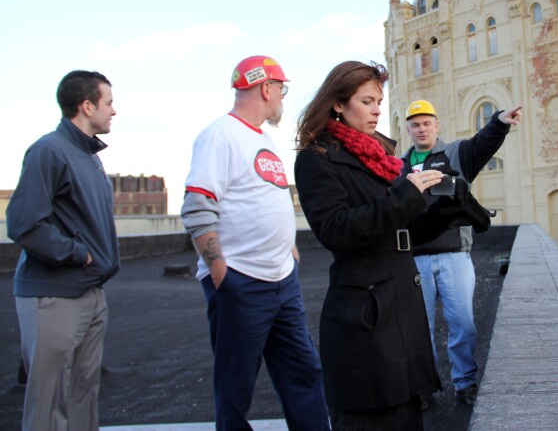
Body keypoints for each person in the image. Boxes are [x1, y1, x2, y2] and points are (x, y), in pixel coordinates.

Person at [294, 61, 470, 430]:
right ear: (338, 104)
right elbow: (334, 230)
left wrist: (447, 212)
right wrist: (407, 194)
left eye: (379, 101)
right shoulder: (316, 158)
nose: (377, 109)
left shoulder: (381, 158)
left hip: (399, 304)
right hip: (366, 312)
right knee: (374, 416)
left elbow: (401, 231)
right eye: (367, 101)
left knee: (406, 415)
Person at [181, 55, 329, 431]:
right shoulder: (219, 135)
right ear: (266, 88)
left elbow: (266, 196)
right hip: (241, 282)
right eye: (281, 89)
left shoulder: (262, 138)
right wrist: (218, 271)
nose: (282, 97)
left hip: (283, 280)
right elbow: (198, 207)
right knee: (235, 387)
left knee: (304, 372)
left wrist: (288, 250)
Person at [7, 70, 120, 431]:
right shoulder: (48, 151)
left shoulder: (90, 157)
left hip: (91, 293)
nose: (114, 111)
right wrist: (78, 254)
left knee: (83, 396)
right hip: (54, 297)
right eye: (109, 102)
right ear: (87, 106)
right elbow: (24, 224)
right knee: (49, 403)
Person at [401, 99, 522, 407]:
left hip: (454, 253)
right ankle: (424, 389)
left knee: (463, 324)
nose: (422, 129)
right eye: (415, 124)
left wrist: (499, 122)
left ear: (436, 125)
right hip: (415, 258)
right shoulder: (398, 166)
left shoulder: (453, 153)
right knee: (419, 330)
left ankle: (465, 383)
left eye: (427, 122)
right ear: (408, 130)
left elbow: (481, 145)